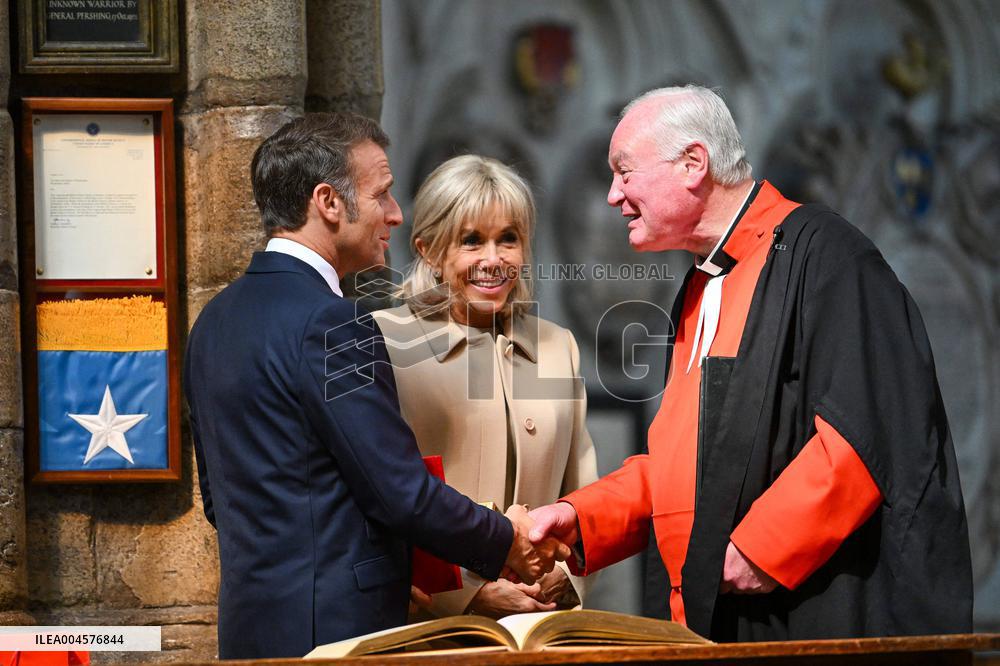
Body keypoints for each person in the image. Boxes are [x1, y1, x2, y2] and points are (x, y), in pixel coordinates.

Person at [528, 85, 972, 641]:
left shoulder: (830, 257)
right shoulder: (700, 285)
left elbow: (869, 432)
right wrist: (583, 519)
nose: (613, 196)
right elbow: (688, 464)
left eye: (624, 171)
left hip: (804, 617)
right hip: (715, 619)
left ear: (693, 163)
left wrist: (762, 547)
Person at [183, 113, 567, 659]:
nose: (395, 213)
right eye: (382, 194)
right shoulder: (333, 322)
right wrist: (507, 539)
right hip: (336, 635)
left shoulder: (212, 321)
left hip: (251, 629)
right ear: (329, 202)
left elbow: (219, 502)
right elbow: (400, 492)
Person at [372, 155, 599, 618]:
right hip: (432, 630)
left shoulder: (558, 346)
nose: (493, 260)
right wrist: (467, 598)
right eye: (472, 241)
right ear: (431, 252)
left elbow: (583, 491)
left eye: (508, 239)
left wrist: (567, 579)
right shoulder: (383, 343)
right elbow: (377, 497)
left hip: (544, 623)